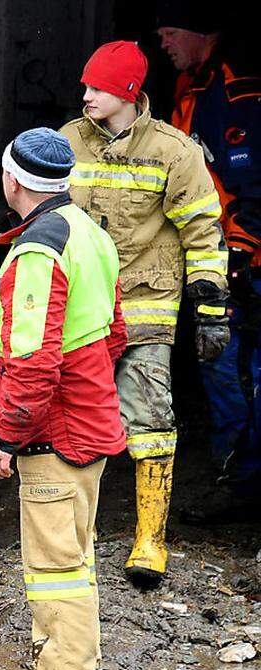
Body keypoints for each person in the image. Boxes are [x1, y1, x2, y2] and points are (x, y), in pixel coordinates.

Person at [60, 40, 230, 587]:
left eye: (99, 88)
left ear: (129, 93)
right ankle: (72, 535)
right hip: (83, 310)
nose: (86, 96)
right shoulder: (66, 143)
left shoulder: (174, 152)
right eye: (85, 86)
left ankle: (150, 539)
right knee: (75, 420)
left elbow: (204, 232)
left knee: (150, 421)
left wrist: (211, 308)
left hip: (144, 309)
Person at [0, 128, 126, 670]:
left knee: (55, 569)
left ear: (12, 180)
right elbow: (115, 333)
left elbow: (32, 362)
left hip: (55, 435)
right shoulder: (89, 233)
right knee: (76, 560)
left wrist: (3, 438)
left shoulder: (38, 251)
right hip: (89, 423)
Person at [158, 0, 261, 524]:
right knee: (220, 363)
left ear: (199, 30)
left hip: (246, 259)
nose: (164, 43)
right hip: (217, 254)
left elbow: (253, 182)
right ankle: (237, 480)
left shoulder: (234, 86)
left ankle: (245, 485)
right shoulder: (192, 88)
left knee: (240, 367)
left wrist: (242, 251)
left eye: (171, 31)